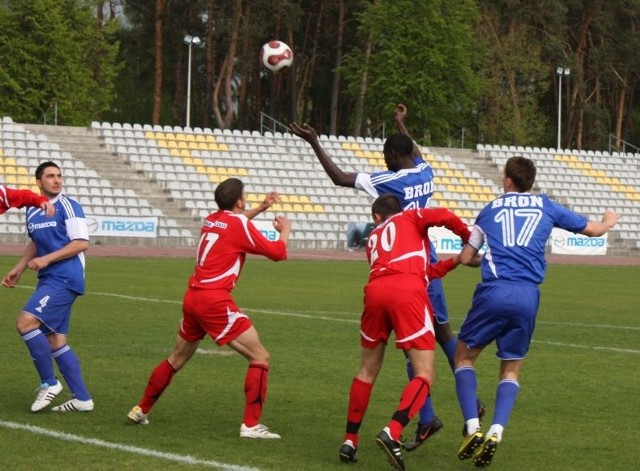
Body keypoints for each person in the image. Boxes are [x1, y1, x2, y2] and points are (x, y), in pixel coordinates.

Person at [291, 104, 483, 450]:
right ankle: (456, 406)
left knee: (418, 348)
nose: (383, 160)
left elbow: (340, 178)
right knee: (441, 334)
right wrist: (401, 123)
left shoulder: (387, 180)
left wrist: (314, 144)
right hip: (426, 262)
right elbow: (417, 153)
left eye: (385, 154)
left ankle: (435, 415)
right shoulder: (427, 174)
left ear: (394, 155)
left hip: (407, 269)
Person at [454, 156, 620, 468]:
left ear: (507, 180)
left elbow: (465, 257)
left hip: (494, 291)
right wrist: (609, 220)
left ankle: (473, 427)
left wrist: (485, 259)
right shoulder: (547, 206)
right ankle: (496, 431)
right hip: (528, 295)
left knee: (463, 357)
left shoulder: (489, 209)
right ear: (530, 181)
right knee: (511, 368)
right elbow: (595, 231)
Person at [127, 177, 292, 440]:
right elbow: (277, 252)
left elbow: (234, 223)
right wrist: (285, 229)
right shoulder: (236, 223)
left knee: (176, 358)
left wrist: (261, 208)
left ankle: (141, 409)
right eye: (245, 195)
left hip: (193, 298)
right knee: (260, 356)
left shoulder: (211, 219)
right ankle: (251, 425)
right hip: (213, 301)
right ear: (239, 201)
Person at [339, 194, 474, 471]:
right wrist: (469, 238)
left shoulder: (374, 239)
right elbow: (445, 215)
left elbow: (420, 269)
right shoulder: (412, 216)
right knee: (425, 372)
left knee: (366, 370)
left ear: (377, 217)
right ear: (399, 210)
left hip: (376, 291)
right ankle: (393, 431)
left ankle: (350, 441)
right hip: (407, 292)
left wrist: (455, 261)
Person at [2, 161, 93, 412]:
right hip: (49, 278)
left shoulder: (68, 205)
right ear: (38, 182)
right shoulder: (33, 209)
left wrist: (47, 259)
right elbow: (34, 242)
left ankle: (49, 383)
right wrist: (18, 268)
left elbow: (81, 243)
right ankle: (82, 399)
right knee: (55, 340)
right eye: (51, 176)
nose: (57, 180)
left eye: (59, 176)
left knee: (25, 323)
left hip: (65, 276)